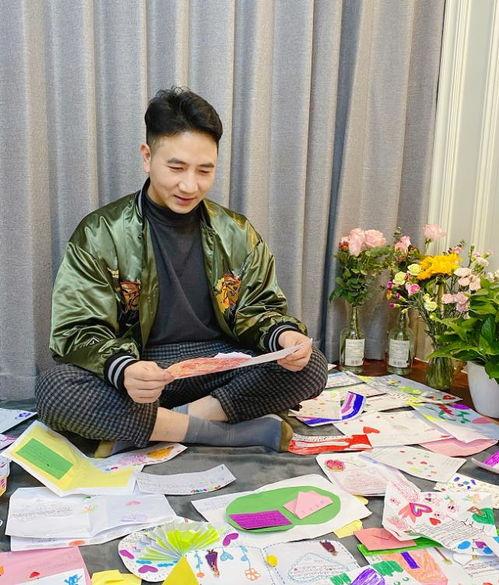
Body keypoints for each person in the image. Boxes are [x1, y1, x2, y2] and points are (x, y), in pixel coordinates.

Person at [36, 87, 328, 454]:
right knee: (55, 388)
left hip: (220, 366)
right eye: (176, 168)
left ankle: (163, 424)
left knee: (312, 366)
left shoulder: (237, 232)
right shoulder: (101, 233)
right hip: (146, 370)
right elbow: (78, 330)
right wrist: (125, 369)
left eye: (205, 170)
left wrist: (285, 338)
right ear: (147, 157)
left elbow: (259, 309)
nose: (190, 185)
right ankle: (222, 432)